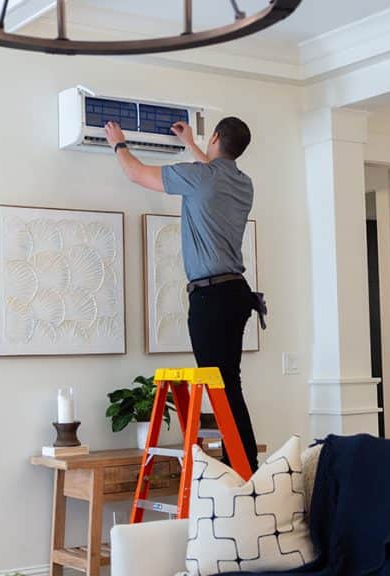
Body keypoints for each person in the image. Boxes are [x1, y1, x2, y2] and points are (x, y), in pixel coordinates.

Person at [104, 116, 260, 471]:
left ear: (216, 137)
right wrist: (191, 143)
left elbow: (137, 173)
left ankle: (244, 466)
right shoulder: (242, 183)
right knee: (228, 382)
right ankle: (244, 463)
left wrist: (118, 142)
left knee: (221, 387)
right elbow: (211, 171)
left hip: (211, 297)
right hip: (236, 294)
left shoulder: (200, 177)